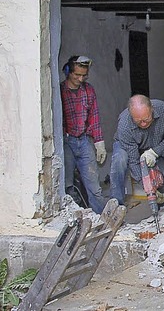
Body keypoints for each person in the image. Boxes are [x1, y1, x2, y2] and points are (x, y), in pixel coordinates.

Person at [60, 55, 107, 214]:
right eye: (77, 75)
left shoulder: (89, 90)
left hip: (85, 141)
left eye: (84, 75)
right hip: (66, 142)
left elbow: (94, 116)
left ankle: (101, 218)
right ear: (68, 72)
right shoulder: (60, 91)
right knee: (67, 186)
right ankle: (73, 219)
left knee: (94, 186)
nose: (80, 79)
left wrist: (99, 142)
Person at [110, 95, 164, 207]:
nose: (143, 124)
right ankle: (117, 206)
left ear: (152, 109)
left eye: (146, 119)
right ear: (131, 116)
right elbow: (134, 161)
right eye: (138, 121)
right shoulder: (124, 125)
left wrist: (154, 152)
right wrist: (148, 188)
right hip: (128, 146)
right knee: (120, 159)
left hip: (154, 147)